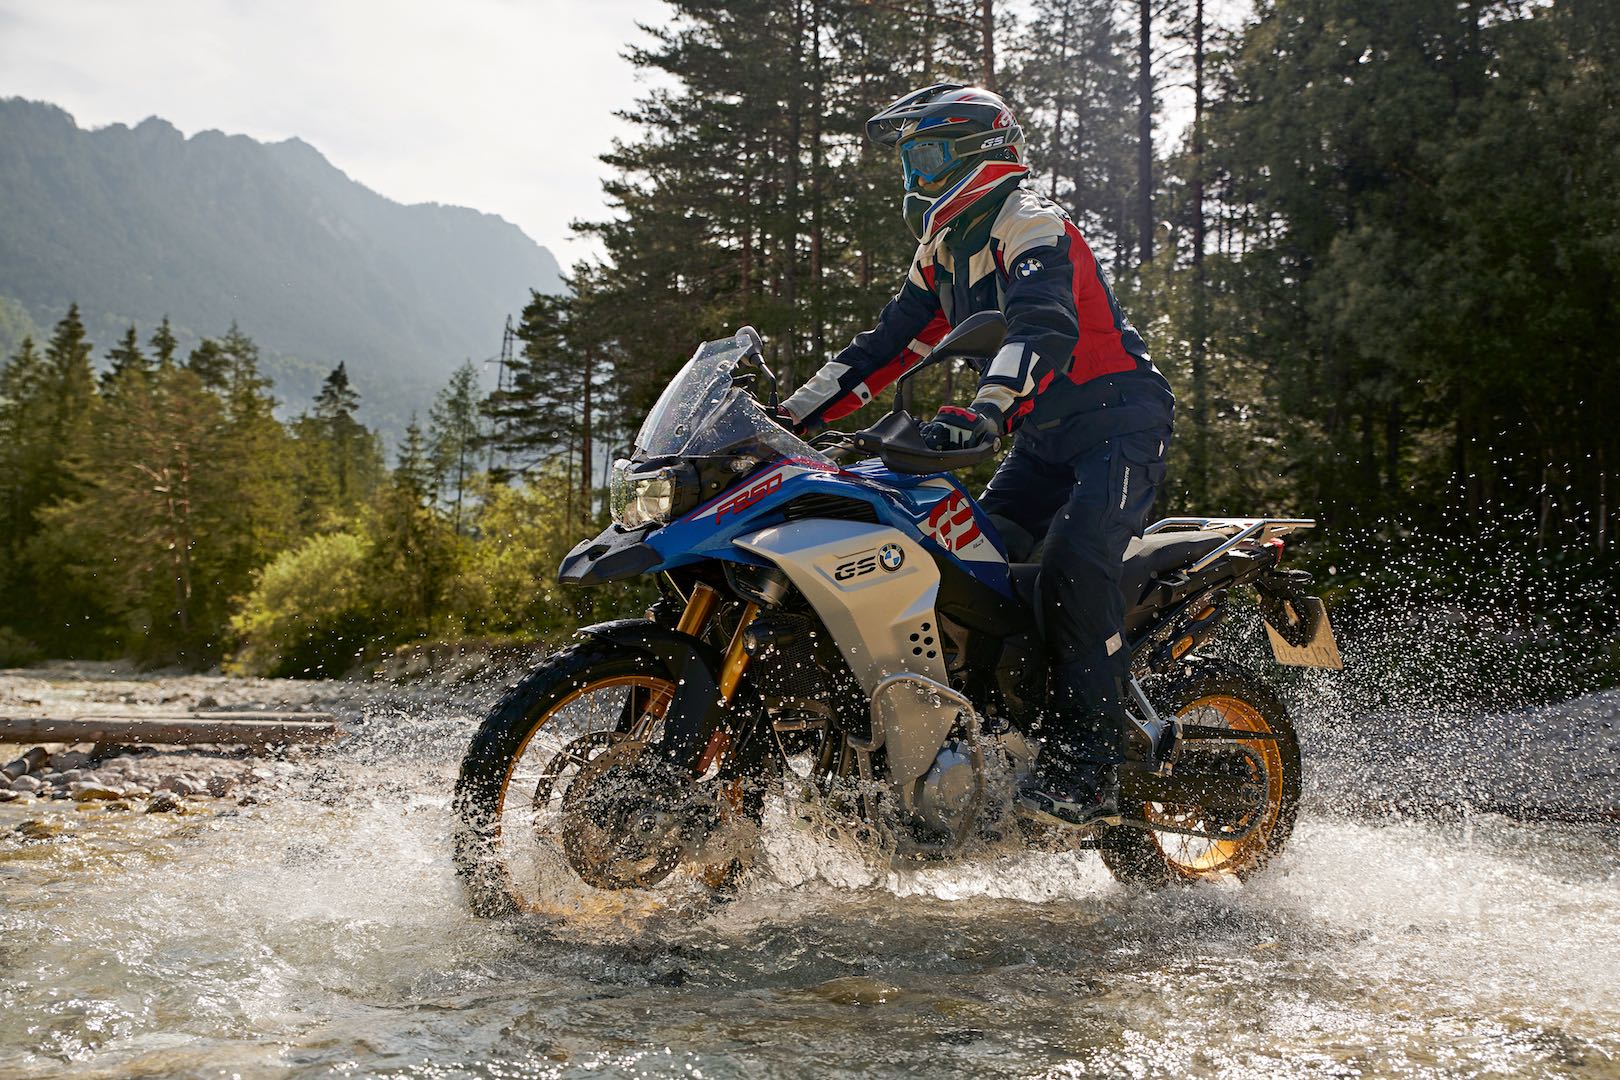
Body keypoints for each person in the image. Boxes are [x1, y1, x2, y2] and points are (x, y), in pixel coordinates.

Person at [778, 84, 1175, 828]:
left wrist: (984, 408)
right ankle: (1001, 732)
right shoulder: (942, 250)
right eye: (908, 163)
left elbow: (1042, 327)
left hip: (1119, 421)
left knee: (1073, 566)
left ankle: (1090, 769)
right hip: (1043, 439)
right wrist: (784, 418)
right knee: (967, 570)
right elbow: (885, 347)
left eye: (925, 157)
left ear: (980, 152)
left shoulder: (1030, 222)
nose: (914, 178)